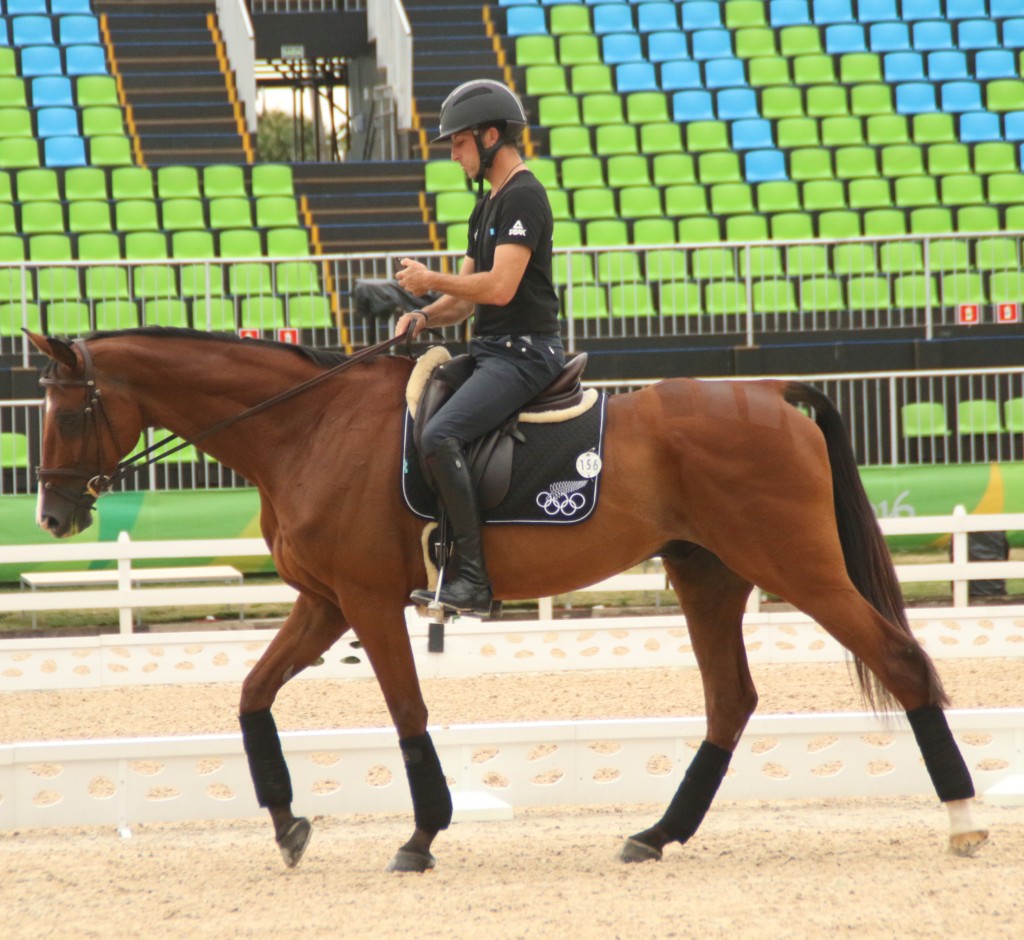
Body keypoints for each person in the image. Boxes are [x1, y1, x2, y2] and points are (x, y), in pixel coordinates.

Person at [395, 78, 565, 617]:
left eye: (459, 143)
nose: (454, 155)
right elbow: (465, 305)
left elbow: (499, 287)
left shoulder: (524, 196)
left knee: (442, 432)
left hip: (526, 354)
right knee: (425, 410)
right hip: (493, 348)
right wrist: (422, 316)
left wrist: (432, 279)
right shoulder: (486, 205)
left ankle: (471, 578)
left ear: (491, 136)